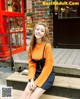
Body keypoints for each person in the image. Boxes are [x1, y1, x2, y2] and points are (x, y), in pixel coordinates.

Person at [20, 20, 55, 99]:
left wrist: (36, 83)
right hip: (36, 73)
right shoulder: (30, 47)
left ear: (44, 34)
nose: (39, 32)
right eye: (37, 29)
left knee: (32, 97)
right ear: (34, 30)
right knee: (24, 96)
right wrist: (31, 80)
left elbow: (48, 66)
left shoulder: (47, 46)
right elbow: (31, 65)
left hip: (47, 74)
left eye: (42, 31)